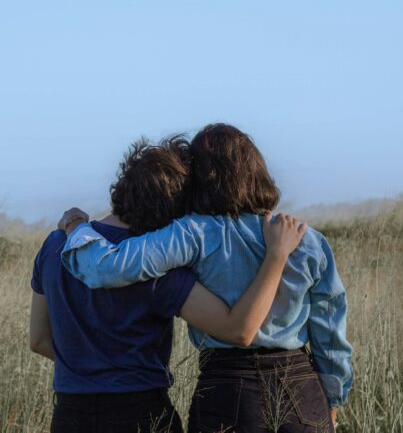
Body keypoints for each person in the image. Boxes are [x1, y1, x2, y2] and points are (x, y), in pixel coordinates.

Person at [60, 124, 352, 433]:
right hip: (302, 388)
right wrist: (332, 400)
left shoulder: (193, 232)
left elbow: (106, 267)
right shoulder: (306, 240)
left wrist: (76, 226)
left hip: (228, 384)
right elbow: (330, 330)